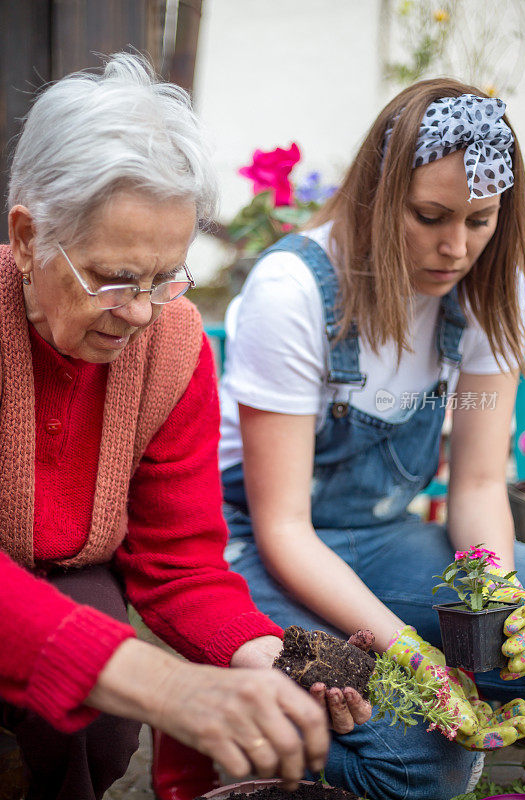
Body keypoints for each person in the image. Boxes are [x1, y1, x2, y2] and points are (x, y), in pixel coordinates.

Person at [0, 52, 367, 800]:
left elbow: (180, 562)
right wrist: (161, 683)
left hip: (74, 573)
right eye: (112, 278)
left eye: (165, 276)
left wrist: (264, 656)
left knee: (97, 729)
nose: (141, 312)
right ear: (28, 237)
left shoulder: (170, 347)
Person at [216, 80, 525, 800]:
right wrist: (412, 655)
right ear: (377, 195)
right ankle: (259, 740)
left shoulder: (488, 285)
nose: (455, 247)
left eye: (479, 220)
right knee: (428, 762)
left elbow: (480, 484)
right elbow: (284, 528)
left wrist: (501, 603)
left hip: (381, 540)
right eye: (429, 217)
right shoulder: (294, 292)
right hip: (266, 554)